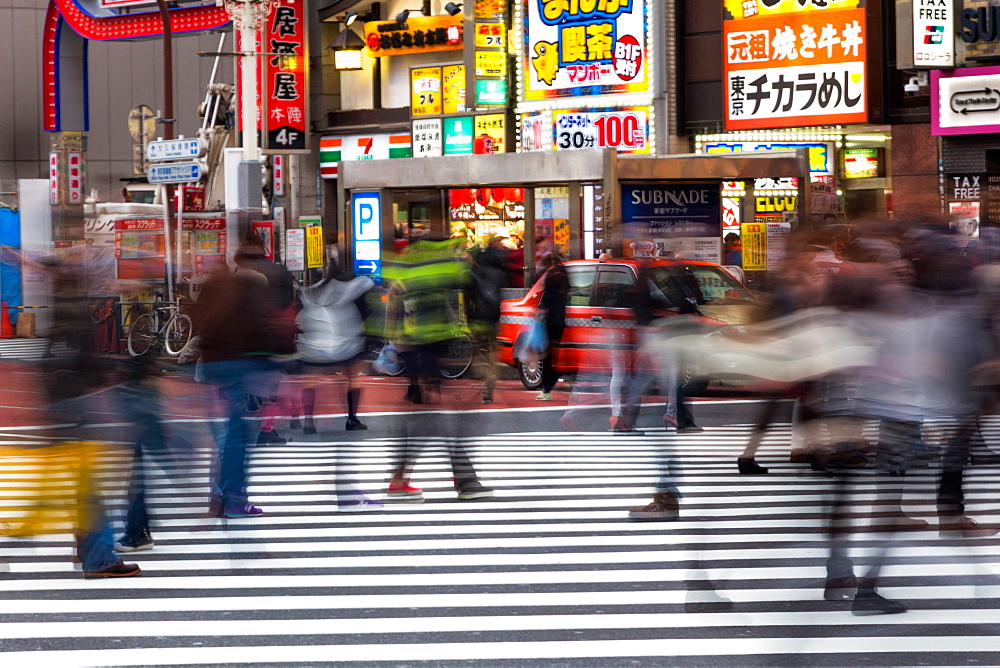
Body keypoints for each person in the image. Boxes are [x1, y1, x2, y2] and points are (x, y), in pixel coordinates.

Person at [381, 237, 493, 502]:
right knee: (431, 419)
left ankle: (462, 479)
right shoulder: (438, 274)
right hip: (428, 351)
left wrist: (398, 348)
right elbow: (449, 312)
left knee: (431, 418)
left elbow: (391, 323)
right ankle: (461, 479)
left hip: (417, 352)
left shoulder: (406, 277)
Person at [194, 238, 296, 518]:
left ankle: (219, 495)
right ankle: (234, 499)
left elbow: (200, 323)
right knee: (237, 434)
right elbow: (262, 326)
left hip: (213, 365)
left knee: (226, 432)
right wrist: (283, 357)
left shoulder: (214, 287)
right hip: (240, 364)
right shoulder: (255, 285)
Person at [294, 259, 374, 433]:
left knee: (311, 381)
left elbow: (299, 319)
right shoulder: (354, 290)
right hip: (346, 347)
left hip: (314, 348)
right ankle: (351, 418)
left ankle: (308, 421)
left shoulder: (313, 293)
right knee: (353, 377)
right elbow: (365, 315)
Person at [536, 251, 569, 401]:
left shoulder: (550, 276)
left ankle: (547, 388)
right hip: (560, 320)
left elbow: (546, 300)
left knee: (545, 355)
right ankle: (554, 378)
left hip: (549, 320)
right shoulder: (565, 273)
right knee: (554, 352)